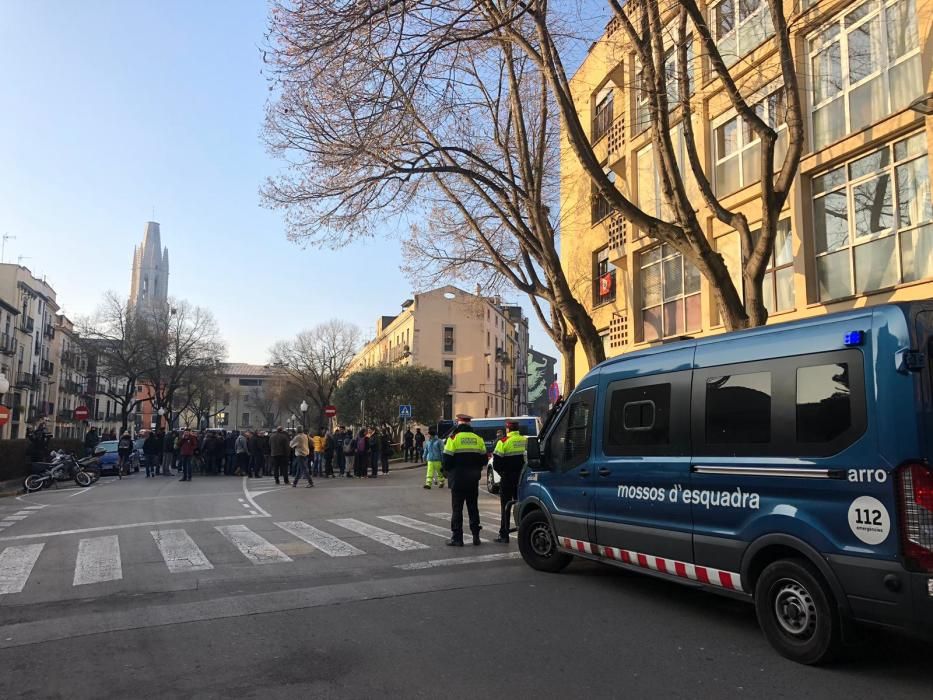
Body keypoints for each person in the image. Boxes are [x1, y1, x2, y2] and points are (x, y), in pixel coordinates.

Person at [442, 415, 486, 546]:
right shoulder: (478, 439)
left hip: (457, 480)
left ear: (458, 424)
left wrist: (449, 472)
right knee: (473, 508)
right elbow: (484, 460)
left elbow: (446, 461)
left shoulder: (453, 438)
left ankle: (457, 538)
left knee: (457, 509)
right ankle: (476, 537)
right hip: (473, 480)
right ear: (469, 424)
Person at [491, 420, 527, 544]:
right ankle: (524, 534)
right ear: (518, 429)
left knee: (505, 507)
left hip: (507, 478)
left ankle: (504, 535)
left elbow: (496, 464)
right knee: (522, 505)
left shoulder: (503, 442)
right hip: (522, 479)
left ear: (508, 430)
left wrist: (503, 474)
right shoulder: (525, 441)